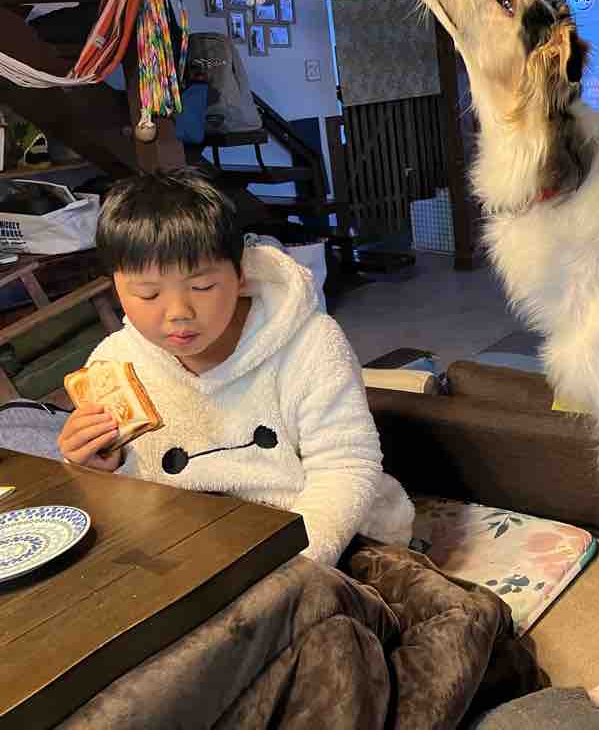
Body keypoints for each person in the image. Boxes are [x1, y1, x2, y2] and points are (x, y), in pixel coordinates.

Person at [57, 169, 414, 566]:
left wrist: (295, 565)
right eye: (148, 293)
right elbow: (132, 498)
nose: (178, 313)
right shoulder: (114, 364)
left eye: (202, 287)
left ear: (240, 274)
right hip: (192, 548)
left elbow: (345, 467)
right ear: (117, 287)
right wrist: (97, 466)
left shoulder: (311, 344)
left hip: (315, 538)